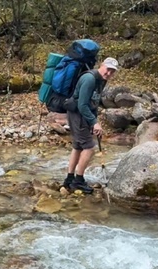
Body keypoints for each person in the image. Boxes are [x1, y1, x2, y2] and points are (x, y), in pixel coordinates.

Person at [63, 57, 119, 194]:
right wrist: (94, 122)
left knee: (77, 145)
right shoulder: (90, 79)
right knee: (89, 148)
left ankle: (69, 179)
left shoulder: (101, 80)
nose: (109, 73)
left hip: (81, 115)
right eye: (108, 69)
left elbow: (94, 102)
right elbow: (82, 105)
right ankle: (78, 181)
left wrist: (95, 122)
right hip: (78, 114)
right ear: (102, 65)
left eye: (112, 71)